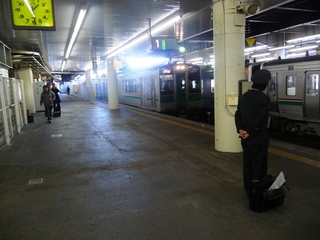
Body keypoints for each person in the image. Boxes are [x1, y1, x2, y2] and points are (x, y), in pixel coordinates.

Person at [234, 69, 271, 195]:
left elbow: (237, 115)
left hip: (245, 139)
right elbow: (260, 119)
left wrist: (241, 131)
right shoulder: (264, 99)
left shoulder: (243, 97)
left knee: (247, 162)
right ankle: (257, 189)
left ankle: (248, 188)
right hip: (259, 138)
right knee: (259, 164)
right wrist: (250, 132)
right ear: (265, 85)